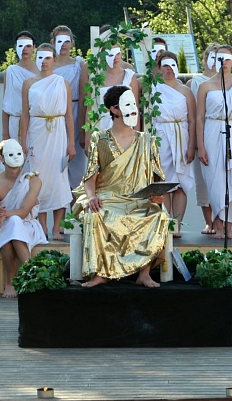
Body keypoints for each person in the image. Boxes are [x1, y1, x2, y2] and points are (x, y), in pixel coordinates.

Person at [71, 86, 169, 288]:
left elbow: (157, 179)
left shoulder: (147, 140)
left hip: (139, 199)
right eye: (127, 104)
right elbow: (90, 177)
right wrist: (90, 197)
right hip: (108, 196)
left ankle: (144, 273)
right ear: (114, 110)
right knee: (95, 214)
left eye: (134, 104)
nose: (133, 109)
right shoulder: (100, 138)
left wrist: (157, 196)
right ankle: (100, 273)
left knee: (157, 215)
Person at [19, 43, 75, 240]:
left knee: (58, 180)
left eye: (47, 58)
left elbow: (69, 115)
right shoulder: (29, 83)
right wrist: (23, 142)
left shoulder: (63, 83)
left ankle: (57, 228)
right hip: (37, 131)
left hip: (58, 133)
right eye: (40, 57)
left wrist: (71, 143)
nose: (44, 61)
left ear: (54, 60)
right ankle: (41, 226)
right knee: (38, 177)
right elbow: (24, 115)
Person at [197, 45, 232, 239]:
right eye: (220, 59)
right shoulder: (205, 86)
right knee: (215, 178)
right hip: (213, 131)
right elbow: (200, 118)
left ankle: (229, 225)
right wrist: (201, 146)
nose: (224, 63)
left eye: (227, 59)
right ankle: (217, 224)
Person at [0, 139, 46, 298]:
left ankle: (13, 282)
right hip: (3, 226)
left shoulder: (34, 180)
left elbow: (24, 212)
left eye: (18, 153)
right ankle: (28, 275)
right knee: (10, 225)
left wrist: (4, 215)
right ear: (2, 158)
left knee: (14, 222)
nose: (15, 157)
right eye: (10, 154)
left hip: (28, 226)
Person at [154, 51, 196, 238]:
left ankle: (177, 224)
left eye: (172, 65)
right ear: (159, 68)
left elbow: (193, 119)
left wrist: (191, 146)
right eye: (165, 65)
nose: (169, 69)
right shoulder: (153, 89)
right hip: (161, 136)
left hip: (181, 136)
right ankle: (166, 223)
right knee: (164, 183)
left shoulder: (185, 90)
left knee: (179, 184)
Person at [82, 39, 139, 151]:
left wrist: (137, 135)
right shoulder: (95, 78)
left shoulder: (129, 76)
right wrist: (88, 136)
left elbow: (135, 106)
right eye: (111, 54)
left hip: (126, 128)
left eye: (118, 53)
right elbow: (90, 108)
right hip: (101, 126)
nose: (115, 57)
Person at [187, 44, 219, 235]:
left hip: (220, 135)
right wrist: (197, 142)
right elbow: (194, 114)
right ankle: (209, 222)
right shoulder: (196, 82)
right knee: (203, 181)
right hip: (203, 133)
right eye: (212, 57)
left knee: (220, 179)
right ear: (205, 57)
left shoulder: (227, 81)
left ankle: (221, 220)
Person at [51, 25, 88, 188]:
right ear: (53, 42)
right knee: (54, 167)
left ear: (72, 43)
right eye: (60, 40)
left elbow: (84, 95)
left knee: (77, 170)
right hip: (54, 116)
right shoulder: (46, 66)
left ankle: (75, 211)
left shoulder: (79, 65)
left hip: (74, 112)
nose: (64, 44)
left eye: (67, 40)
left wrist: (82, 125)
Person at [2, 31, 39, 141]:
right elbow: (6, 104)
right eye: (21, 45)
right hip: (15, 123)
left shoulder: (41, 71)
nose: (25, 49)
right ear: (15, 47)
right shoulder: (11, 71)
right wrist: (5, 134)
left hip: (36, 123)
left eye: (28, 46)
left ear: (34, 47)